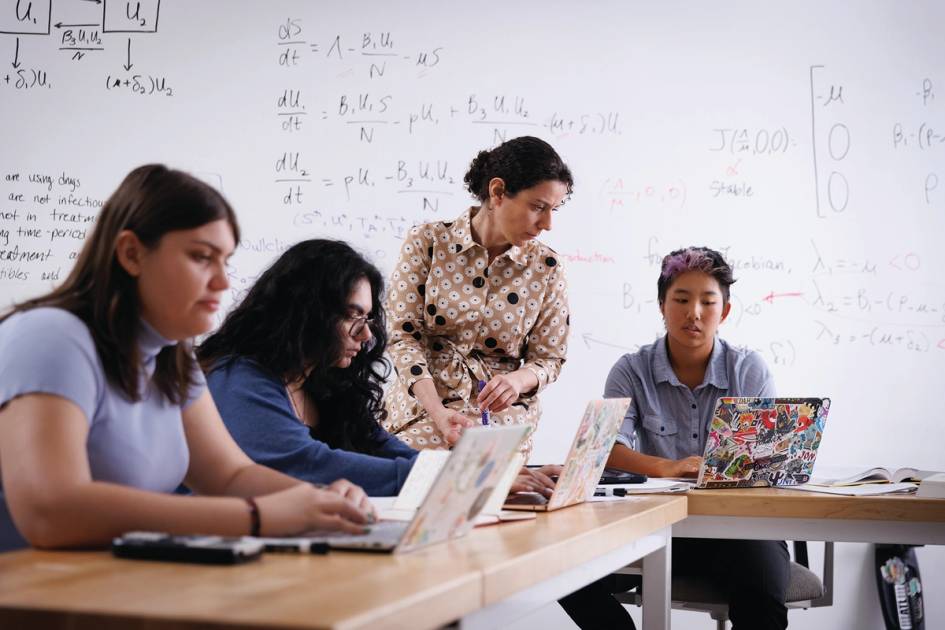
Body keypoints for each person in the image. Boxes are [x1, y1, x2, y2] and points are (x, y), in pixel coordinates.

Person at [0, 165, 373, 552]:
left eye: (225, 261)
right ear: (131, 254)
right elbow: (50, 513)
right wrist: (257, 517)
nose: (223, 281)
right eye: (201, 257)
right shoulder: (49, 336)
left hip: (107, 585)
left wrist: (321, 500)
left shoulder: (170, 355)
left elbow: (229, 476)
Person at [197, 239, 559, 498]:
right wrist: (461, 478)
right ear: (306, 313)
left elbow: (389, 451)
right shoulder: (239, 376)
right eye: (354, 316)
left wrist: (492, 473)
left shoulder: (323, 384)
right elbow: (308, 465)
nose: (367, 334)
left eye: (369, 318)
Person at [560, 246, 788, 630]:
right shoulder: (630, 370)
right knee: (561, 570)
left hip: (738, 529)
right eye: (681, 299)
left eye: (707, 302)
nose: (693, 313)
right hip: (651, 528)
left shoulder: (750, 369)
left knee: (762, 604)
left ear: (724, 311)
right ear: (662, 305)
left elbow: (765, 459)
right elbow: (601, 452)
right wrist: (670, 468)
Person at [383, 136, 572, 456]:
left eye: (554, 209)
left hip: (500, 422)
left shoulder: (547, 267)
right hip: (422, 411)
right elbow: (403, 338)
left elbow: (550, 359)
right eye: (538, 207)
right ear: (498, 192)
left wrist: (517, 381)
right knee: (422, 479)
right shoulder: (426, 243)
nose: (547, 224)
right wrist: (438, 413)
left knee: (489, 484)